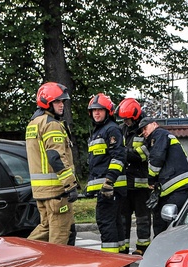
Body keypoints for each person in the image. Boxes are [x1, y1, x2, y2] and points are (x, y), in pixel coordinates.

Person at [25, 82, 79, 245]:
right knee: (60, 236)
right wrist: (70, 185)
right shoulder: (51, 124)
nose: (61, 105)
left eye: (62, 101)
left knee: (46, 229)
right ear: (46, 102)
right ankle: (52, 266)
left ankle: (22, 253)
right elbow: (55, 157)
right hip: (56, 191)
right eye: (57, 101)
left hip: (42, 192)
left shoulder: (33, 124)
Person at [139, 116, 188, 236]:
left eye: (145, 128)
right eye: (142, 130)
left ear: (154, 124)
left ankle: (162, 251)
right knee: (172, 225)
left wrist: (151, 180)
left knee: (165, 227)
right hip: (180, 189)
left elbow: (156, 158)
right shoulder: (165, 136)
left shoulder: (158, 134)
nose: (144, 132)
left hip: (177, 189)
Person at [86, 93, 127, 253]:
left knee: (105, 221)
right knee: (115, 220)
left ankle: (109, 257)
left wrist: (109, 182)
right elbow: (98, 163)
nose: (96, 113)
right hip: (108, 186)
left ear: (108, 112)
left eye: (100, 110)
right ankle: (121, 253)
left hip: (110, 187)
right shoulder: (99, 131)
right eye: (94, 110)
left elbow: (118, 157)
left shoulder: (111, 129)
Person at [115, 97, 152, 255]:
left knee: (142, 218)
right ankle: (123, 249)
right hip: (125, 182)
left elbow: (143, 154)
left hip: (141, 185)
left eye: (128, 119)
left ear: (136, 116)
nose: (126, 121)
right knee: (123, 218)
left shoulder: (145, 129)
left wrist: (122, 152)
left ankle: (142, 249)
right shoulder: (121, 129)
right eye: (124, 119)